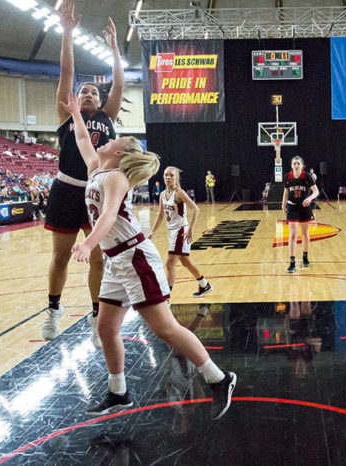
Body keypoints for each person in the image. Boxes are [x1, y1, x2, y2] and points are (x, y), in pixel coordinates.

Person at [60, 91, 237, 420]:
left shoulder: (116, 177)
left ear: (121, 151)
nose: (109, 137)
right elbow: (83, 139)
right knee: (106, 328)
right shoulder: (97, 168)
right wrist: (76, 115)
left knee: (165, 328)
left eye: (118, 138)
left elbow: (109, 217)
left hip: (135, 257)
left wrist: (87, 245)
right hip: (116, 261)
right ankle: (119, 391)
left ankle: (219, 378)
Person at [41, 0, 124, 345]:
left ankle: (95, 314)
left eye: (93, 91)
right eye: (83, 91)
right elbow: (66, 73)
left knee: (97, 258)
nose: (87, 93)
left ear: (99, 98)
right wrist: (66, 32)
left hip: (94, 190)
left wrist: (115, 50)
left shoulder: (107, 116)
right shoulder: (67, 115)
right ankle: (53, 310)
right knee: (60, 256)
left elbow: (118, 83)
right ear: (74, 99)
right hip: (65, 189)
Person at [151, 166, 212, 297]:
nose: (168, 177)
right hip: (171, 231)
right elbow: (160, 215)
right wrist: (152, 232)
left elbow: (196, 209)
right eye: (166, 175)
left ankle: (166, 296)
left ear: (176, 177)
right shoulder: (162, 194)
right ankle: (204, 285)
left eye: (171, 175)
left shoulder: (179, 192)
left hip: (181, 230)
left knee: (169, 263)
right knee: (185, 262)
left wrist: (190, 229)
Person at [282, 156, 319, 273]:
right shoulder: (287, 177)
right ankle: (292, 262)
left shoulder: (307, 176)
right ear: (291, 165)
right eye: (294, 164)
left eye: (298, 163)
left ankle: (305, 256)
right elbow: (286, 191)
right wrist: (283, 205)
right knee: (292, 234)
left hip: (304, 207)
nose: (296, 165)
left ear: (302, 165)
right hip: (292, 207)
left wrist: (309, 198)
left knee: (305, 234)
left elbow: (316, 191)